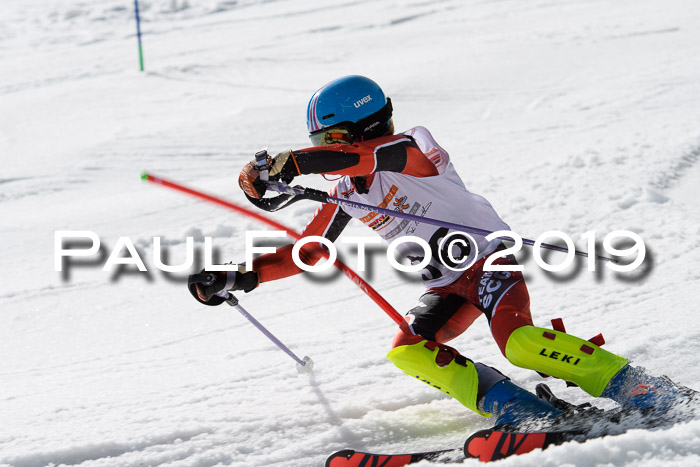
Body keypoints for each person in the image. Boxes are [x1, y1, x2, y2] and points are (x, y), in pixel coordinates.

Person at [189, 75, 687, 427]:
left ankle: (637, 385)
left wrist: (296, 161)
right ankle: (523, 411)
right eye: (318, 141)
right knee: (408, 352)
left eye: (330, 139)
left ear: (362, 129)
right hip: (447, 285)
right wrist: (236, 277)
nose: (325, 151)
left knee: (519, 344)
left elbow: (380, 154)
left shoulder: (411, 149)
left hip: (491, 263)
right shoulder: (346, 193)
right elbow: (309, 252)